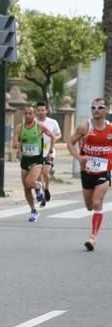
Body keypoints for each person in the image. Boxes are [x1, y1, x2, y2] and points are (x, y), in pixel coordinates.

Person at [66, 98, 112, 250]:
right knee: (89, 205)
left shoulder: (111, 129)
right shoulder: (85, 127)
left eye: (100, 107)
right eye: (93, 107)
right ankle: (93, 228)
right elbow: (69, 143)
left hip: (104, 171)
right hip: (87, 172)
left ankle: (93, 237)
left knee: (98, 202)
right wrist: (79, 158)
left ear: (106, 110)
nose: (96, 110)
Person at [12, 104, 56, 223]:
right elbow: (14, 142)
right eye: (26, 113)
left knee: (30, 182)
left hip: (37, 159)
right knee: (26, 188)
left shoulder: (39, 126)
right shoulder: (19, 128)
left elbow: (53, 136)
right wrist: (16, 144)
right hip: (25, 159)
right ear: (23, 115)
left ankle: (38, 186)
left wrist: (50, 151)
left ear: (34, 114)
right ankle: (34, 211)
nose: (28, 115)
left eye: (30, 113)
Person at [35, 101, 61, 206]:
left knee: (45, 172)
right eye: (39, 110)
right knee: (37, 175)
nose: (41, 112)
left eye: (43, 110)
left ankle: (46, 189)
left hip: (49, 150)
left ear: (46, 111)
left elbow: (59, 135)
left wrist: (53, 138)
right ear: (36, 111)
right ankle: (42, 195)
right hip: (37, 151)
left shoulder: (53, 122)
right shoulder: (33, 122)